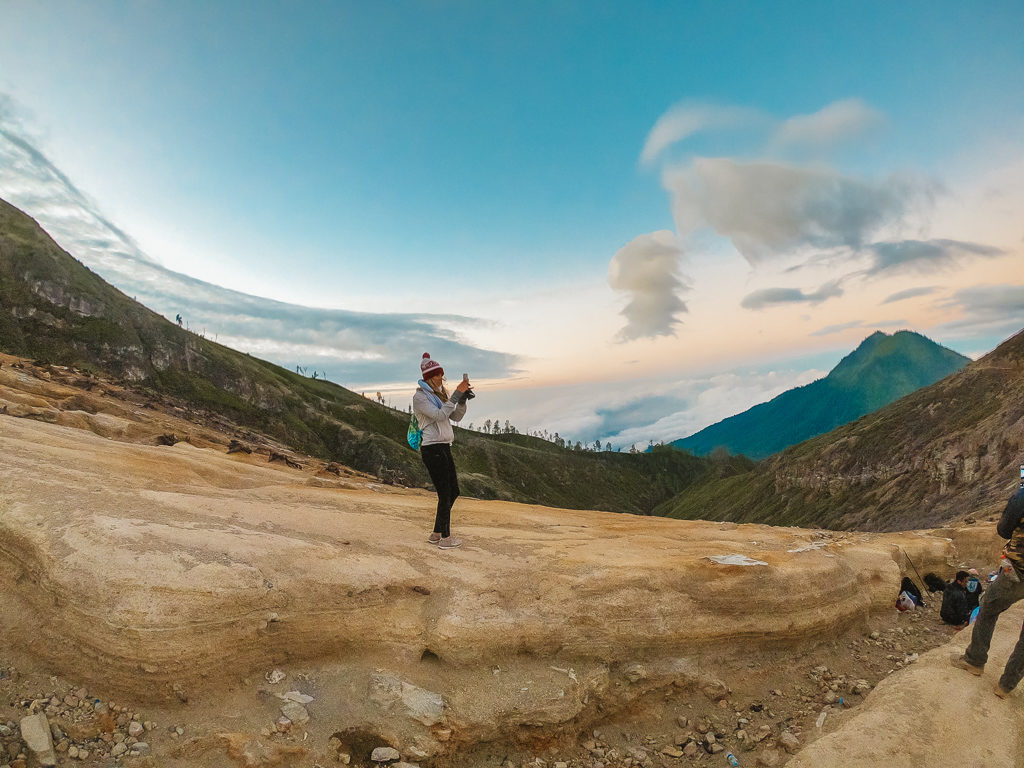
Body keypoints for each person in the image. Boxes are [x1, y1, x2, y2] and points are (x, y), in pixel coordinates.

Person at [952, 489, 1024, 698]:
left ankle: (975, 661)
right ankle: (1006, 686)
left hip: (1018, 571)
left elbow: (1004, 529)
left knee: (989, 609)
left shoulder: (1022, 497)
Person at [413, 353, 471, 549]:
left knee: (453, 491)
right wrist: (455, 394)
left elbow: (454, 416)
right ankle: (445, 539)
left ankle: (436, 533)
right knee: (445, 492)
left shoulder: (440, 394)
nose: (441, 378)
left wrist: (461, 400)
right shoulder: (420, 397)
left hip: (444, 446)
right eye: (437, 375)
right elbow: (439, 415)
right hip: (432, 448)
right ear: (429, 376)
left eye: (441, 375)